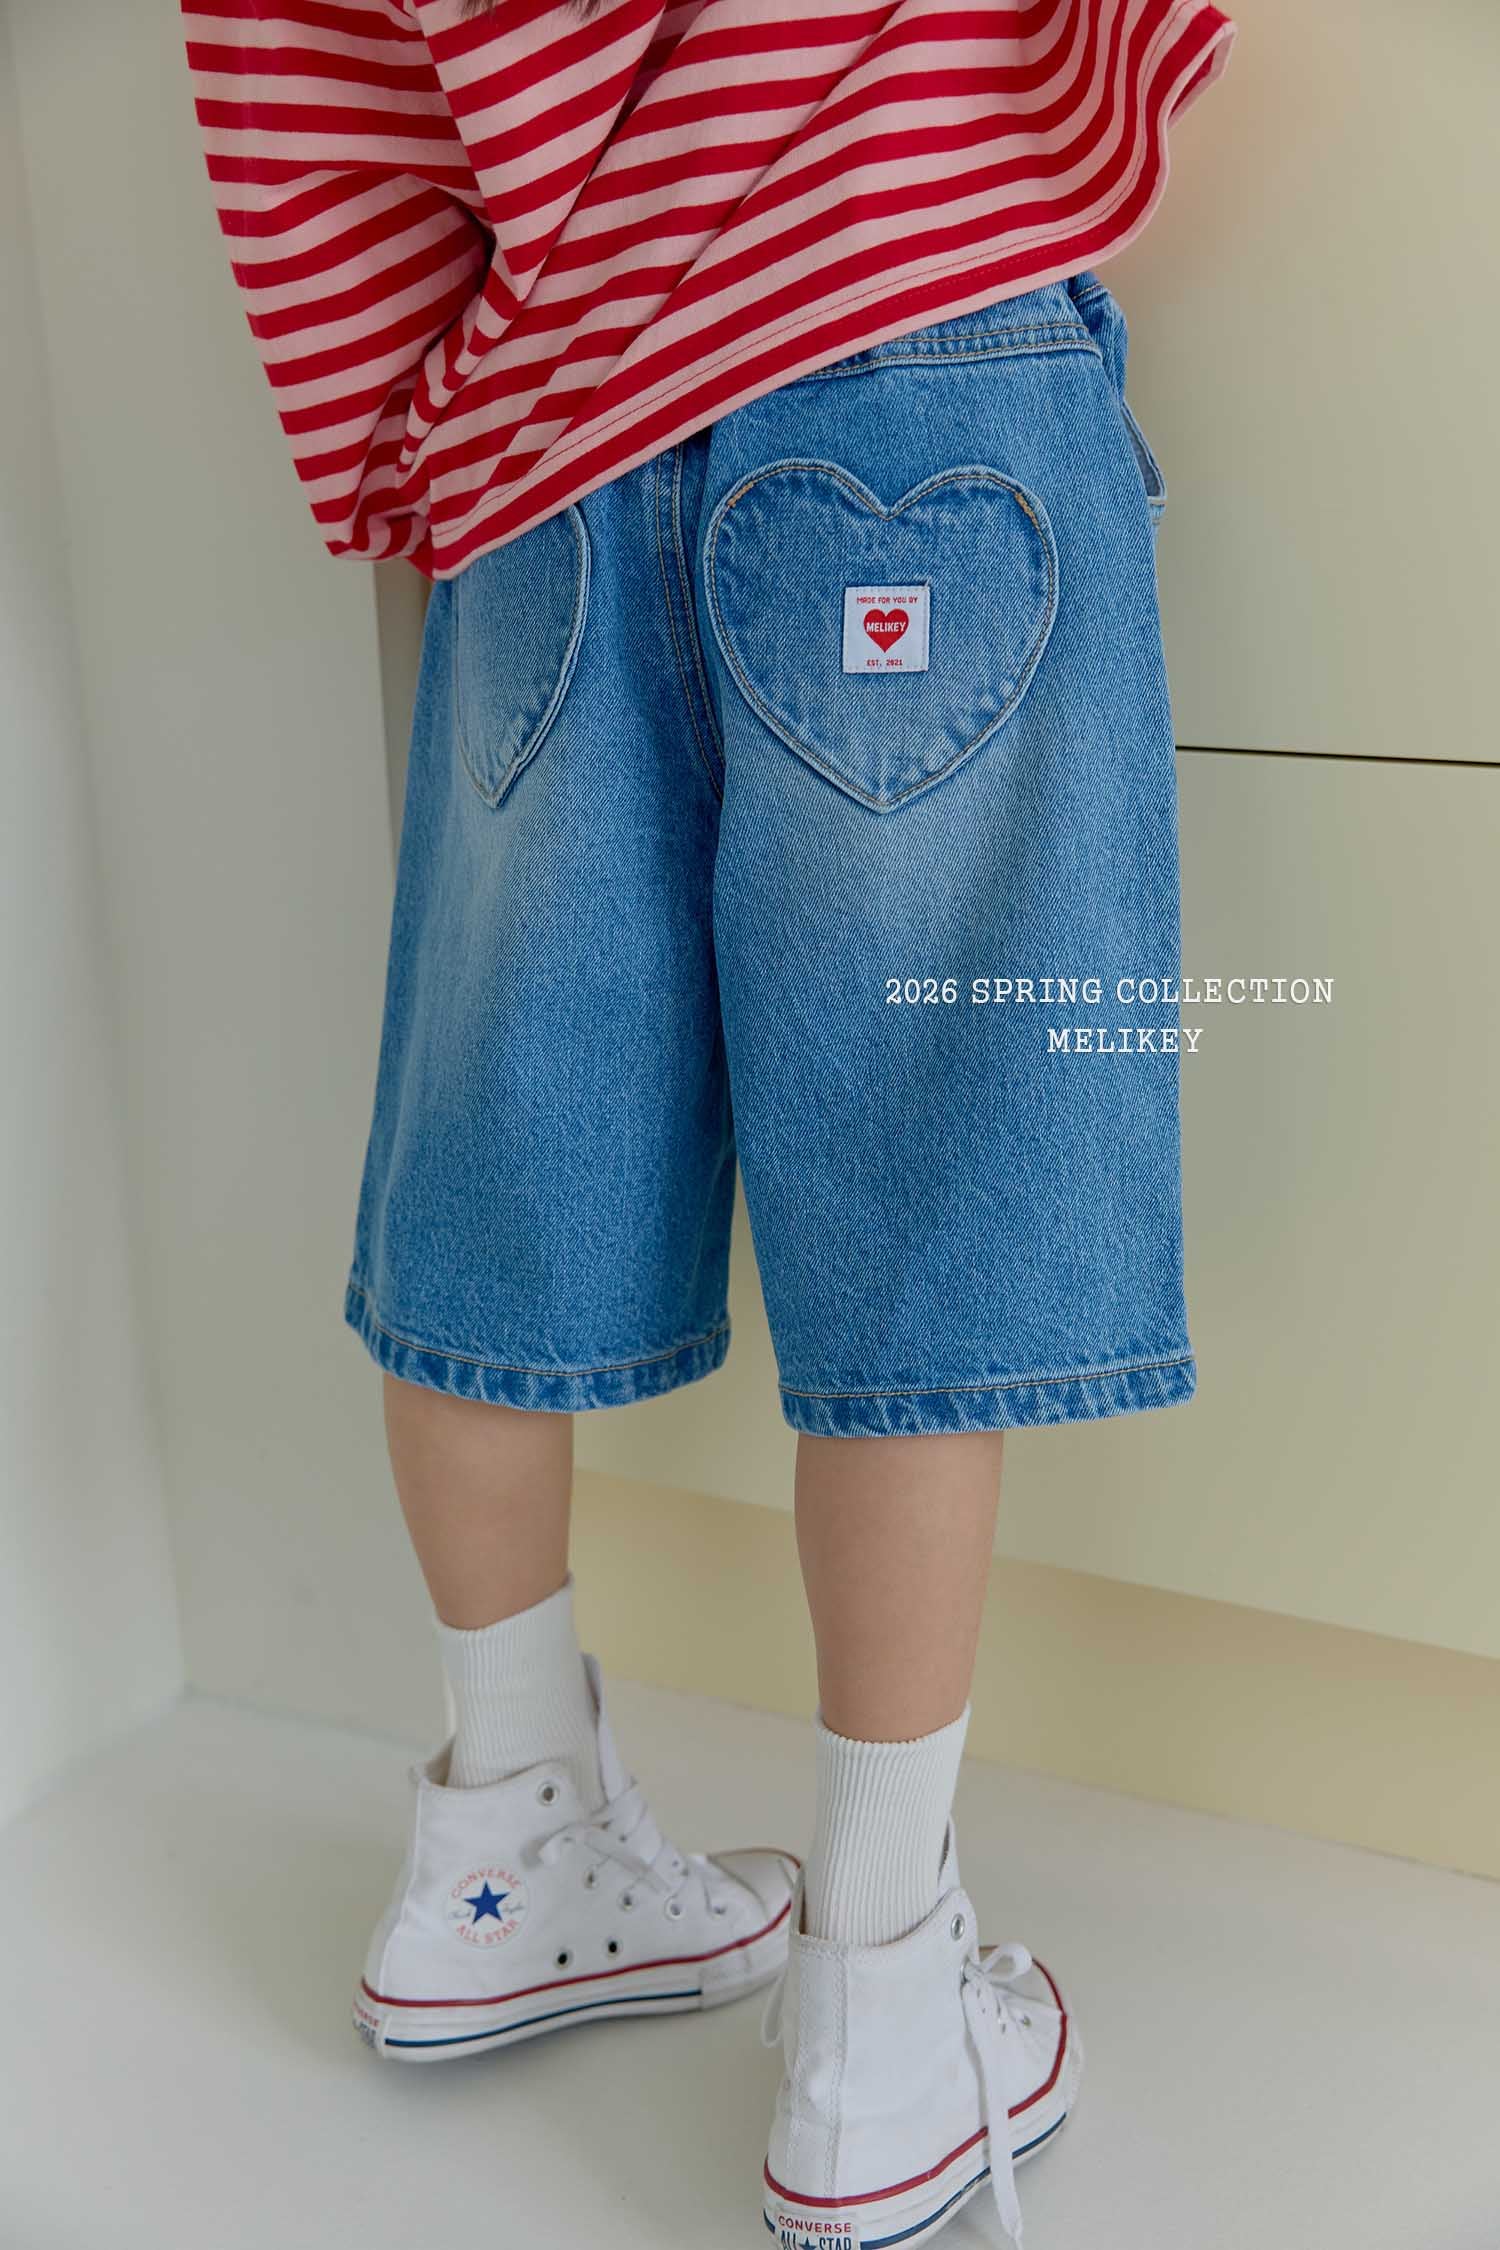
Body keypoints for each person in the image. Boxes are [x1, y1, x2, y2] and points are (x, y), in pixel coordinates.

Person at [181, 1, 1234, 2240]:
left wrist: (406, 431)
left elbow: (297, 62)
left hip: (554, 416)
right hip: (910, 297)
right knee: (934, 1166)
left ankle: (498, 1849)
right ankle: (879, 2007)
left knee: (500, 1131)